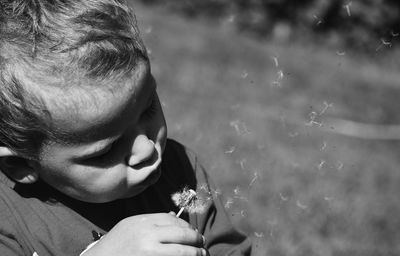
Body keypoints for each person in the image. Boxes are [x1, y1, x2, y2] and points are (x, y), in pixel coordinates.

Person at [0, 1, 253, 255]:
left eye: (148, 109)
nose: (147, 149)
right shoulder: (9, 220)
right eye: (107, 150)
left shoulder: (181, 174)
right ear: (22, 165)